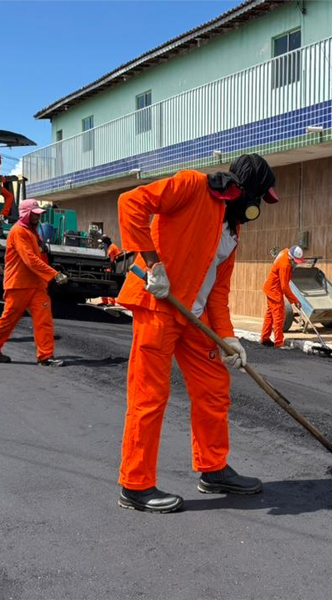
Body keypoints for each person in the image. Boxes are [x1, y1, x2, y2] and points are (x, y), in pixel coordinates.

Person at [115, 153, 279, 513]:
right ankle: (135, 485)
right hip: (158, 306)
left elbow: (218, 291)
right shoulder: (192, 186)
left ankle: (213, 468)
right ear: (247, 190)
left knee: (214, 389)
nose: (257, 210)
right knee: (149, 397)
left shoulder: (232, 231)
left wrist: (229, 338)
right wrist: (153, 262)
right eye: (259, 199)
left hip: (194, 316)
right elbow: (130, 203)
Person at [0, 199, 68, 366]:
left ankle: (45, 356)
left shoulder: (32, 232)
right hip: (18, 285)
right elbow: (29, 259)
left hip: (36, 285)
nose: (38, 218)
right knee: (9, 319)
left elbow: (36, 257)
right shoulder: (19, 231)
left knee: (44, 320)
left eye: (39, 214)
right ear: (25, 214)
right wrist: (54, 274)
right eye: (34, 214)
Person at [260, 245, 304, 348]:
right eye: (296, 261)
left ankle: (264, 338)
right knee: (279, 316)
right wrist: (295, 301)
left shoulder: (286, 252)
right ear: (291, 257)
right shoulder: (285, 265)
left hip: (271, 287)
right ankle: (279, 343)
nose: (296, 264)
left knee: (270, 314)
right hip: (274, 290)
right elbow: (284, 287)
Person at [101, 235, 121, 306]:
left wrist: (114, 263)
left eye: (103, 242)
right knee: (103, 284)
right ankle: (104, 301)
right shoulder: (106, 247)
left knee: (110, 285)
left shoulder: (113, 246)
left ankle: (111, 302)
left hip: (111, 268)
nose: (102, 244)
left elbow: (119, 255)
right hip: (105, 267)